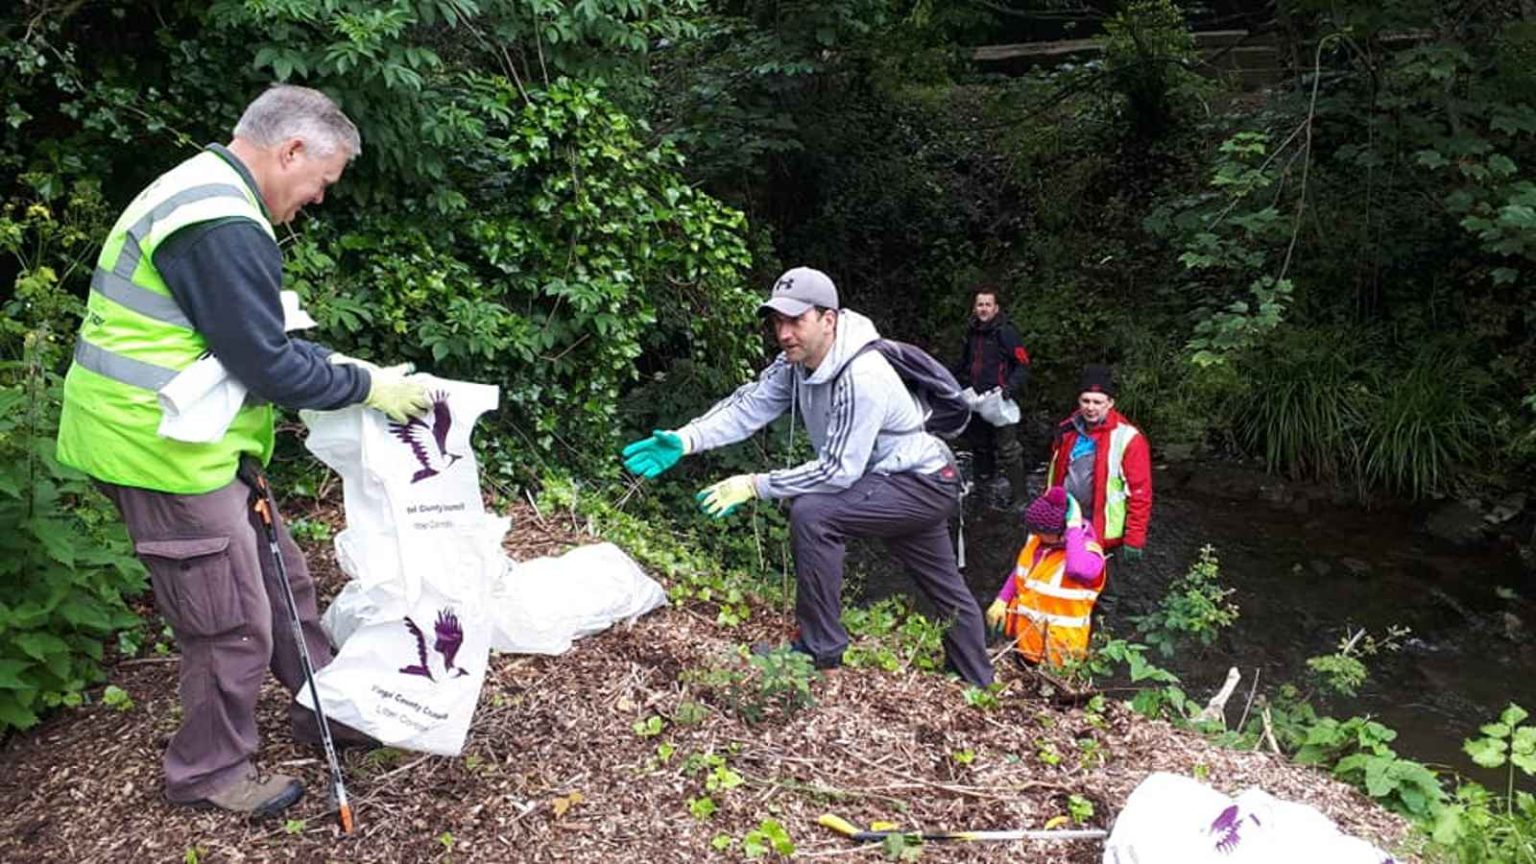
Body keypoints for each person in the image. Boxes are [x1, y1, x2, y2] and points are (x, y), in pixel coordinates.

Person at [55, 85, 430, 817]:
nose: (318, 198)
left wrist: (332, 369)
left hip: (194, 439)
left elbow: (235, 335)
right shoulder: (220, 223)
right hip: (154, 447)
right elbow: (265, 363)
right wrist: (364, 386)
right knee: (229, 619)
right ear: (290, 151)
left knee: (284, 582)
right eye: (322, 180)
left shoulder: (204, 192)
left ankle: (331, 705)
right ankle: (208, 773)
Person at [621, 267, 993, 687]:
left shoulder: (861, 375)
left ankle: (821, 653)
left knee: (814, 513)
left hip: (920, 482)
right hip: (893, 481)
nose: (784, 332)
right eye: (778, 321)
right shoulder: (795, 363)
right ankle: (976, 679)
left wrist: (754, 484)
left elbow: (838, 472)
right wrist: (685, 439)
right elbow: (749, 407)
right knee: (943, 583)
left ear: (828, 319)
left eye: (796, 320)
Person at [985, 487, 1106, 666]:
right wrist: (1002, 599)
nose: (1035, 534)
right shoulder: (1038, 542)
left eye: (1041, 531)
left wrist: (1073, 527)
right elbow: (1021, 570)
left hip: (1061, 656)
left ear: (1063, 531)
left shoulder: (1090, 555)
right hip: (1026, 645)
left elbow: (1076, 570)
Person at [1046, 364, 1152, 564]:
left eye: (1097, 402)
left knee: (1107, 591)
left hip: (1105, 532)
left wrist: (1135, 539)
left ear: (1110, 403)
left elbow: (1140, 493)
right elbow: (1055, 477)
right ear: (1078, 401)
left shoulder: (1129, 438)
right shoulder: (1067, 430)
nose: (1090, 407)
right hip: (1067, 523)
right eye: (1085, 401)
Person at [953, 289, 1031, 506]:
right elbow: (965, 363)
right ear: (974, 308)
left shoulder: (1006, 332)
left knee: (1009, 449)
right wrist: (948, 380)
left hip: (999, 399)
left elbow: (1023, 365)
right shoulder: (972, 332)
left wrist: (1010, 388)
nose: (983, 309)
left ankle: (1020, 498)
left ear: (996, 308)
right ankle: (984, 493)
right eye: (980, 305)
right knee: (979, 445)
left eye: (988, 305)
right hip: (975, 398)